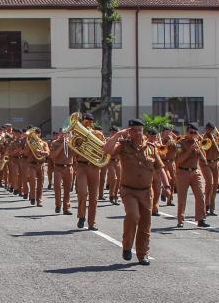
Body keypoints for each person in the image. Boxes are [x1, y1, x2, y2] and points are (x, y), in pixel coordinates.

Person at [103, 119, 170, 264]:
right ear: (129, 131)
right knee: (133, 216)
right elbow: (106, 150)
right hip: (129, 190)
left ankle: (142, 254)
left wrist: (167, 186)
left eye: (140, 130)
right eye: (134, 130)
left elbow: (159, 168)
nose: (138, 133)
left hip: (146, 192)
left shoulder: (151, 148)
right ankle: (127, 246)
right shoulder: (123, 146)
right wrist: (118, 135)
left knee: (145, 224)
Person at [73, 113, 105, 230]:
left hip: (94, 166)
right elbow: (74, 151)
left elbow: (103, 149)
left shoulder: (98, 134)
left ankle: (92, 223)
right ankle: (81, 216)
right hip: (81, 166)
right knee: (82, 192)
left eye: (90, 121)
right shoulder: (76, 134)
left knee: (94, 197)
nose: (88, 123)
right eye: (86, 121)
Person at [174, 124, 209, 228]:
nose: (193, 135)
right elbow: (178, 161)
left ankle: (201, 219)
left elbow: (204, 158)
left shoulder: (198, 143)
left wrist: (201, 148)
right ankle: (180, 220)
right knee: (182, 197)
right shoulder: (179, 144)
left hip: (195, 172)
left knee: (200, 195)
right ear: (187, 132)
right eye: (191, 132)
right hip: (183, 172)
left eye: (195, 133)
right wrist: (190, 150)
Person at [49, 130, 73, 215]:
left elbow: (76, 154)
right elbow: (53, 156)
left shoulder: (71, 142)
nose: (64, 135)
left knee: (67, 189)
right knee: (57, 187)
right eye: (62, 133)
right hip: (58, 167)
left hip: (69, 167)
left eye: (66, 133)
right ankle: (58, 205)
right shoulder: (55, 143)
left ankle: (66, 208)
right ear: (60, 134)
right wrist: (62, 145)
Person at [25, 126, 49, 207]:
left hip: (41, 165)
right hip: (32, 165)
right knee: (32, 181)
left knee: (40, 184)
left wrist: (41, 152)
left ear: (40, 134)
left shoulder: (44, 143)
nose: (36, 135)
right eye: (35, 133)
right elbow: (25, 153)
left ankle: (39, 200)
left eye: (37, 133)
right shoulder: (29, 143)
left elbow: (48, 153)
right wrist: (29, 146)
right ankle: (32, 196)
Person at [202, 123, 219, 216]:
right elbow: (203, 149)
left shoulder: (217, 137)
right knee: (210, 183)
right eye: (209, 129)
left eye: (212, 129)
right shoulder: (203, 138)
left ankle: (212, 207)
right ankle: (206, 205)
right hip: (206, 163)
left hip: (216, 162)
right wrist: (212, 142)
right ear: (206, 129)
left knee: (215, 185)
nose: (210, 131)